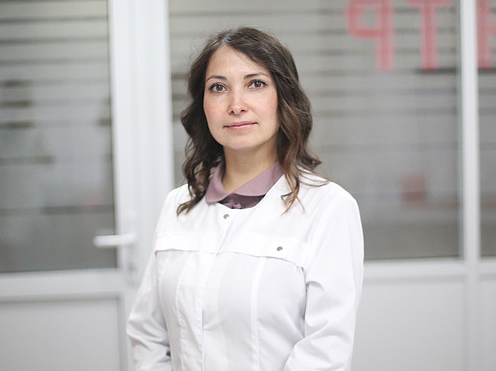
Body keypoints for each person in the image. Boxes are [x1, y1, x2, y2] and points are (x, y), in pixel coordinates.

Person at [127, 27, 364, 371]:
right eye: (218, 88)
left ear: (284, 98)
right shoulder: (178, 206)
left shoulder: (328, 209)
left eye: (255, 84)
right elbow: (148, 334)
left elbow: (325, 350)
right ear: (203, 106)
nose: (236, 105)